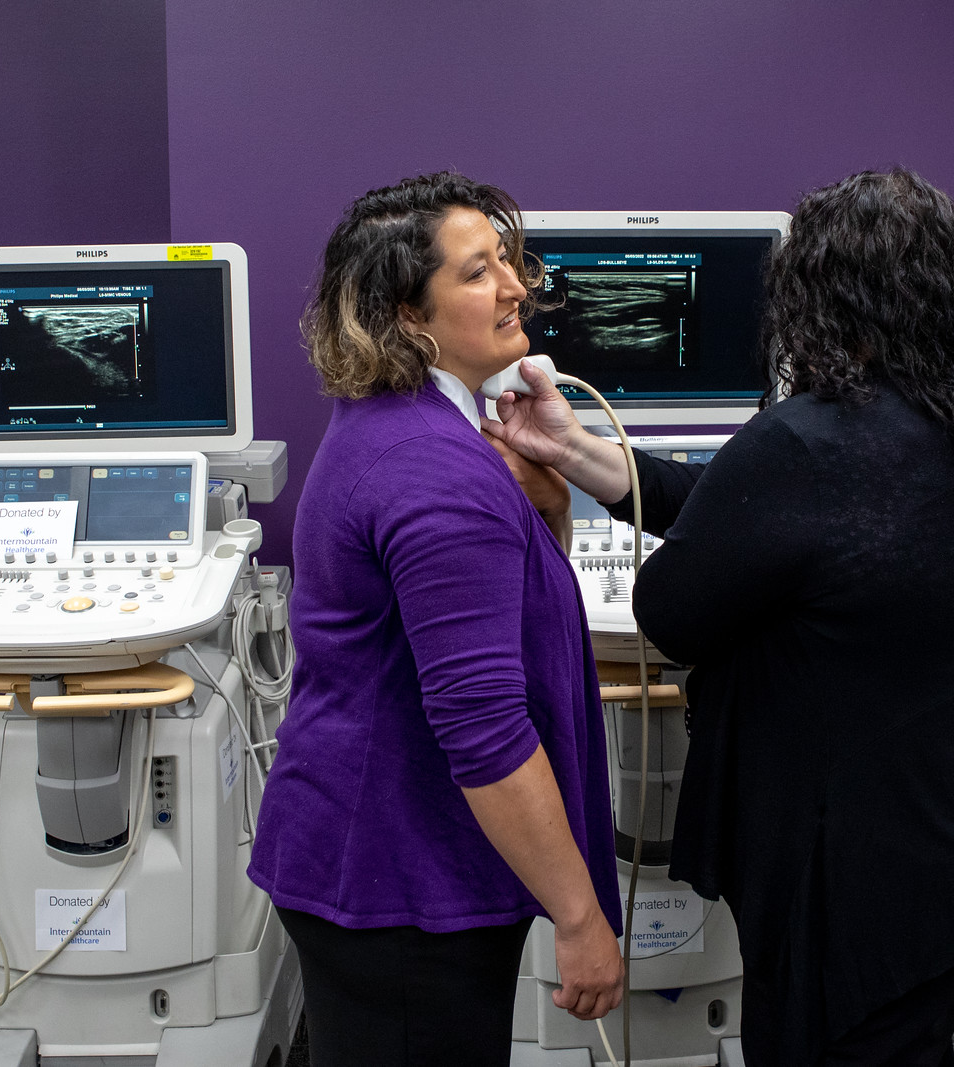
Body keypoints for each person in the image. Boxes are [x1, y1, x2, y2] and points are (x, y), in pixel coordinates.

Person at [485, 168, 954, 1066]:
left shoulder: (809, 442)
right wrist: (574, 450)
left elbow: (670, 611)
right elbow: (740, 507)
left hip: (863, 872)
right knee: (907, 1035)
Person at [247, 171, 624, 1067]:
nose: (516, 286)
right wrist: (580, 918)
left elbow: (512, 611)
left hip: (373, 857)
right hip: (400, 884)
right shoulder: (435, 475)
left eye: (509, 262)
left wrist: (547, 490)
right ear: (408, 318)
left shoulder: (399, 424)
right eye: (479, 271)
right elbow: (485, 727)